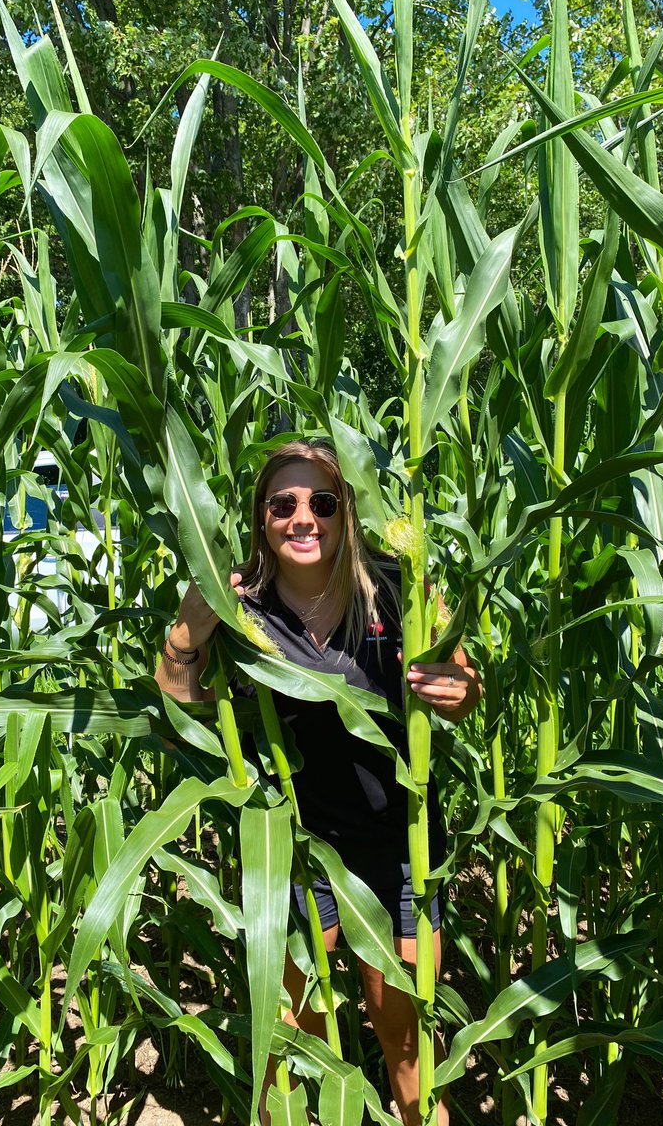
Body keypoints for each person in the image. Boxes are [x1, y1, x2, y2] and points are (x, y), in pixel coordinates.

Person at [155, 439, 482, 1126]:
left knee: (407, 1040)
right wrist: (189, 633)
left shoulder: (396, 586)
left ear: (344, 514)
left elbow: (464, 678)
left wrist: (461, 690)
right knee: (291, 1036)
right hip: (299, 848)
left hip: (401, 844)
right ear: (263, 520)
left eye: (322, 502)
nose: (304, 517)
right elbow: (177, 703)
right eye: (285, 504)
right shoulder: (245, 606)